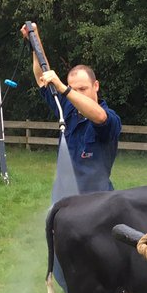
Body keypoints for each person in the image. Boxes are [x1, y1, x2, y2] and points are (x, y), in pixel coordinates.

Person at [36, 63, 122, 198]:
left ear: (96, 86)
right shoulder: (67, 109)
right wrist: (35, 44)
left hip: (98, 203)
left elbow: (100, 117)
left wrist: (64, 89)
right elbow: (42, 78)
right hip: (64, 200)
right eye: (74, 90)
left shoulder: (110, 118)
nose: (77, 94)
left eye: (83, 89)